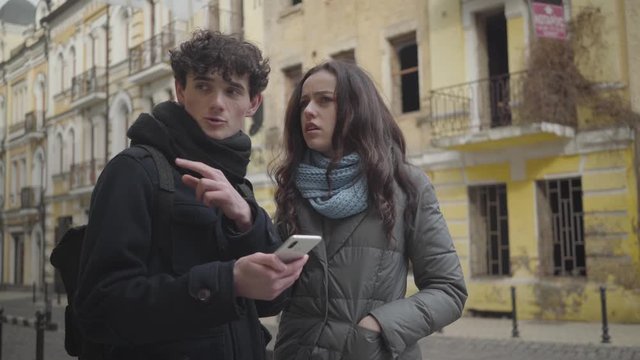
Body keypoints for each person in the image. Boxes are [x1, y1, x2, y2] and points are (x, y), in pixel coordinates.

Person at [74, 30, 307, 360]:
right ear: (180, 90)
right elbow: (99, 309)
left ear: (253, 103)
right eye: (203, 86)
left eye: (232, 90)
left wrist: (245, 220)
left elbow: (271, 301)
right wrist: (229, 281)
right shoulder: (134, 171)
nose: (217, 103)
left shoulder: (239, 186)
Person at [271, 60, 467, 359]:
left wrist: (377, 327)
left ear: (357, 108)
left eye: (325, 100)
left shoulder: (405, 185)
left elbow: (448, 289)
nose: (309, 111)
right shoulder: (292, 188)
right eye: (303, 103)